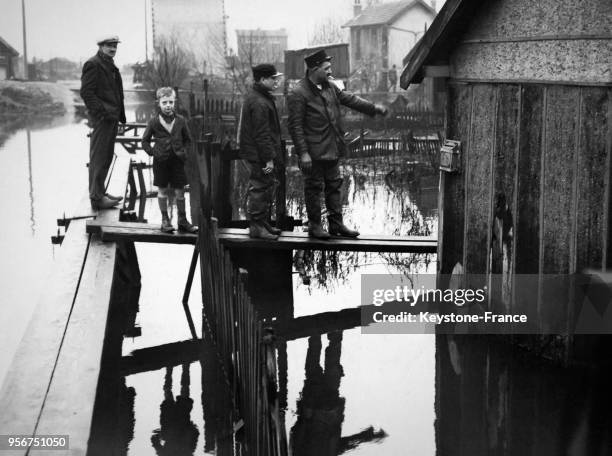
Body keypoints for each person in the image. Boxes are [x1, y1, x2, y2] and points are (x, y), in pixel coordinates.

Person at [288, 49, 387, 239]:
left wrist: (373, 109)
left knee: (334, 185)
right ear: (314, 69)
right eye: (326, 68)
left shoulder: (330, 87)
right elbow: (295, 127)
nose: (330, 71)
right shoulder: (298, 93)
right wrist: (304, 153)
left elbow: (351, 99)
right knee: (314, 187)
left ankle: (336, 224)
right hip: (313, 152)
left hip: (332, 148)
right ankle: (316, 226)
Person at [142, 87, 197, 233]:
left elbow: (188, 140)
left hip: (177, 161)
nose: (168, 105)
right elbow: (145, 141)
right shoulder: (154, 122)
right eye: (164, 102)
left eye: (171, 102)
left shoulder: (180, 120)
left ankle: (182, 220)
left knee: (180, 191)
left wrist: (184, 152)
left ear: (174, 103)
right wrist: (153, 152)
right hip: (161, 162)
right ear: (158, 103)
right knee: (162, 190)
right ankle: (165, 220)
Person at [80, 35, 126, 210]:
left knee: (106, 156)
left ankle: (100, 192)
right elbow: (86, 93)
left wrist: (117, 115)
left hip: (111, 117)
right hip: (103, 119)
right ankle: (96, 198)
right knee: (99, 157)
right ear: (100, 46)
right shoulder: (93, 64)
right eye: (109, 45)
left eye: (115, 46)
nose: (113, 48)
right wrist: (101, 113)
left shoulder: (108, 64)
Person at [239, 64, 284, 240]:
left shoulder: (260, 97)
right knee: (259, 187)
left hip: (257, 154)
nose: (276, 81)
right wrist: (269, 159)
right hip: (258, 156)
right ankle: (257, 227)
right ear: (263, 80)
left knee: (265, 186)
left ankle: (262, 224)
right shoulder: (258, 101)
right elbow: (262, 134)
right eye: (273, 78)